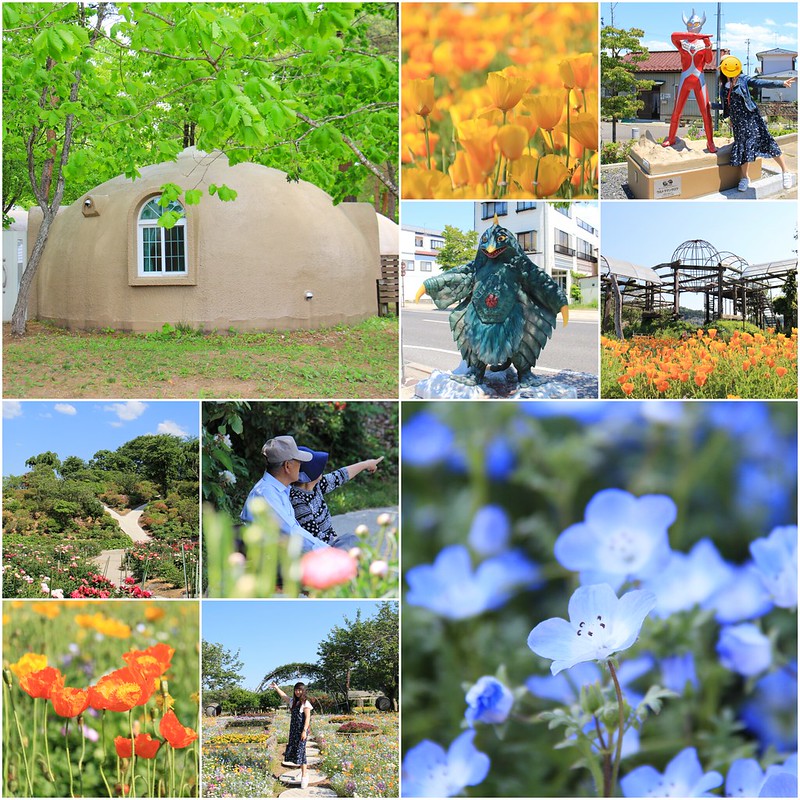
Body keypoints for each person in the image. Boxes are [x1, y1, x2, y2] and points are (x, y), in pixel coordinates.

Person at [719, 55, 796, 191]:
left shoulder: (743, 79)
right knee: (743, 148)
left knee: (766, 141)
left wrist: (781, 83)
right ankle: (745, 178)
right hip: (738, 123)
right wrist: (710, 105)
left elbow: (760, 83)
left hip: (752, 118)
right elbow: (726, 106)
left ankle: (786, 172)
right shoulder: (723, 86)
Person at [240, 435, 328, 553]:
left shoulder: (277, 490)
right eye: (299, 462)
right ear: (287, 466)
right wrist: (327, 550)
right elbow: (291, 532)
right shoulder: (266, 494)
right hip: (271, 562)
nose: (301, 465)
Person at [290, 448, 384, 548]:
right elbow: (314, 539)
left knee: (351, 539)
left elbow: (341, 475)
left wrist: (367, 464)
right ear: (310, 474)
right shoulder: (298, 502)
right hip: (318, 549)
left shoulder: (315, 486)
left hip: (327, 541)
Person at [270, 682, 313, 789]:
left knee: (301, 751)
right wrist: (276, 687)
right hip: (293, 730)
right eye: (296, 690)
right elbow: (283, 695)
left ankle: (304, 776)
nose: (298, 692)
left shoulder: (305, 703)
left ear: (303, 691)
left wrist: (304, 731)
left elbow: (307, 718)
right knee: (296, 751)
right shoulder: (292, 702)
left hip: (301, 730)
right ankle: (303, 772)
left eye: (300, 690)